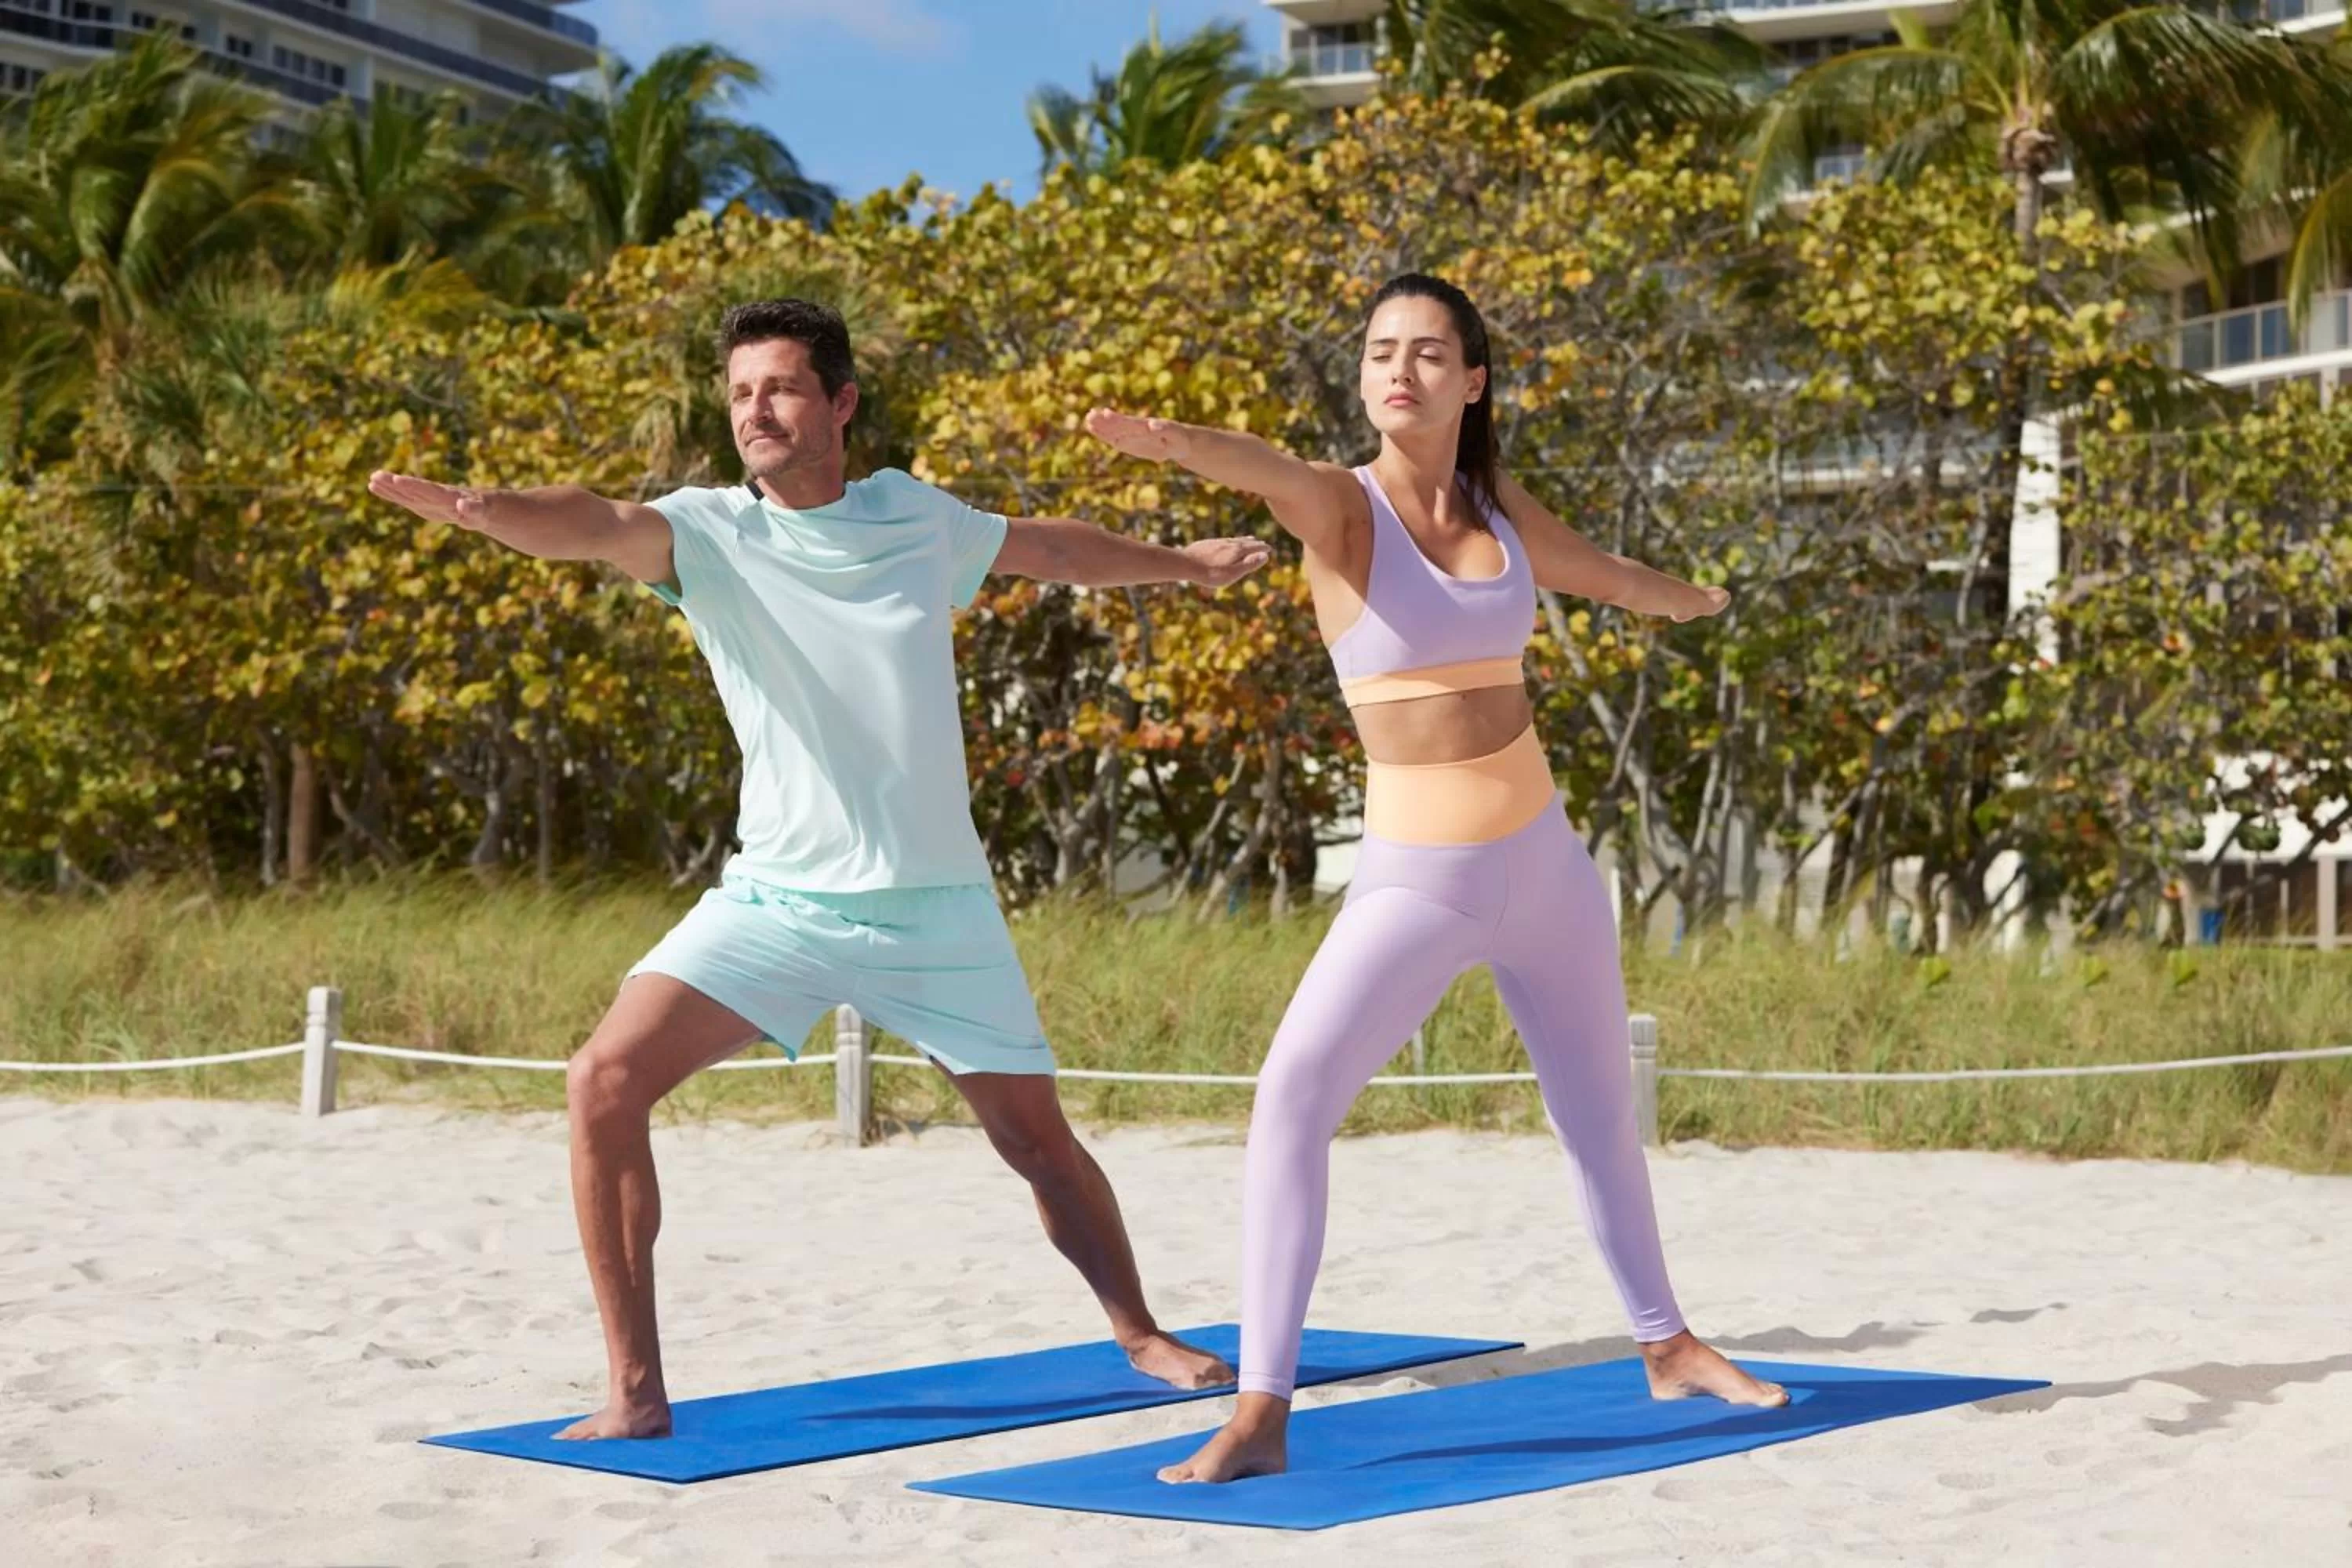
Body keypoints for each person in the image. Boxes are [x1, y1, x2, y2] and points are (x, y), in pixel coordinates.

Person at [368, 297, 1269, 1440]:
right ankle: (636, 1393)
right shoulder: (707, 533)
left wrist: (1185, 564)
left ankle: (1138, 1330)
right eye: (742, 393)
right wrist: (488, 511)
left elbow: (1048, 547)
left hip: (937, 908)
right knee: (602, 1082)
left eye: (783, 388)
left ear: (840, 403)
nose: (758, 411)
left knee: (1035, 1142)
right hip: (779, 904)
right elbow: (595, 521)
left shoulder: (914, 518)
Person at [1084, 272, 1788, 1485]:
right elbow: (1267, 470)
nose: (1397, 370)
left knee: (1600, 1120)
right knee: (1294, 1095)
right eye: (1377, 353)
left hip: (1548, 867)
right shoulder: (1343, 513)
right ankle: (1261, 1410)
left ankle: (1667, 1344)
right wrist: (1179, 446)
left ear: (1473, 380)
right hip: (1420, 878)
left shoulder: (1498, 508)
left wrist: (1691, 598)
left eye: (1425, 353)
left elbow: (1597, 571)